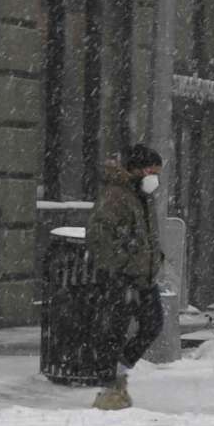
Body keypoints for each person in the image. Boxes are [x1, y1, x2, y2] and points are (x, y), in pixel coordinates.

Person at [87, 143, 166, 411]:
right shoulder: (116, 196)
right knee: (114, 331)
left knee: (153, 324)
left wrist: (154, 261)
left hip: (143, 277)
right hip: (122, 277)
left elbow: (145, 236)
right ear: (136, 169)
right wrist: (123, 265)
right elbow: (99, 237)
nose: (155, 177)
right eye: (151, 170)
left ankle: (117, 375)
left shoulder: (141, 197)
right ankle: (110, 389)